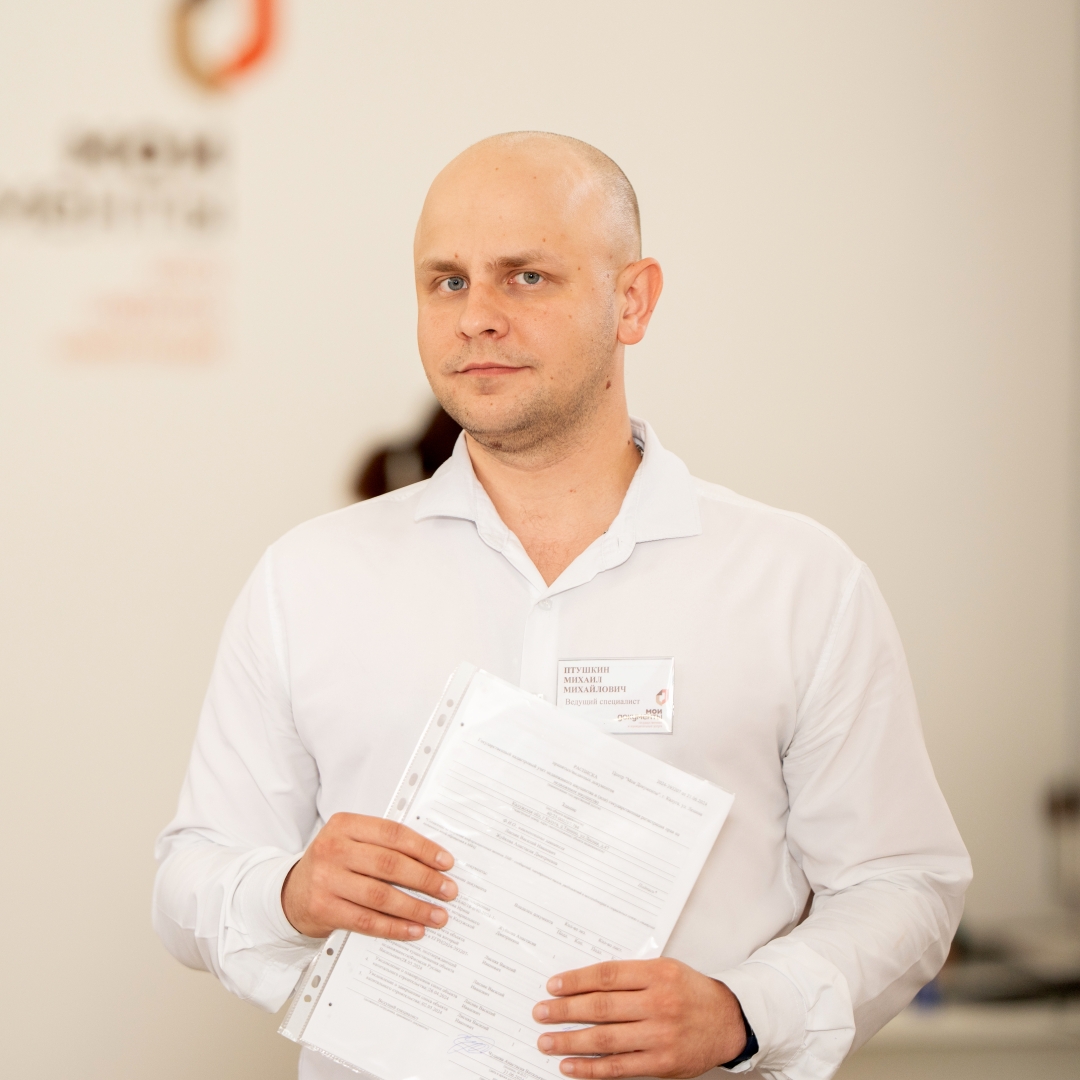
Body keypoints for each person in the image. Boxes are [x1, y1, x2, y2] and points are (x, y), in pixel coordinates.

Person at [154, 132, 971, 1080]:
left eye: (527, 277)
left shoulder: (799, 583)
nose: (477, 318)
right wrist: (289, 892)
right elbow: (189, 877)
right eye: (447, 282)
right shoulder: (308, 579)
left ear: (634, 300)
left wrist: (745, 1011)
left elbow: (903, 884)